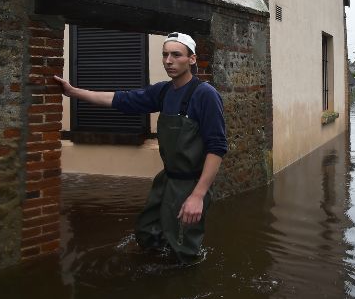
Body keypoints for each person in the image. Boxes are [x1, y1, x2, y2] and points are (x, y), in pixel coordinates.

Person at [53, 32, 227, 264]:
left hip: (191, 183)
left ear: (192, 60)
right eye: (165, 55)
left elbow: (217, 147)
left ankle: (185, 280)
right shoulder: (163, 91)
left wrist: (198, 195)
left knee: (184, 249)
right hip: (167, 180)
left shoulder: (205, 95)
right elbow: (120, 99)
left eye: (176, 55)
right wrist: (74, 92)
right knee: (147, 233)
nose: (168, 60)